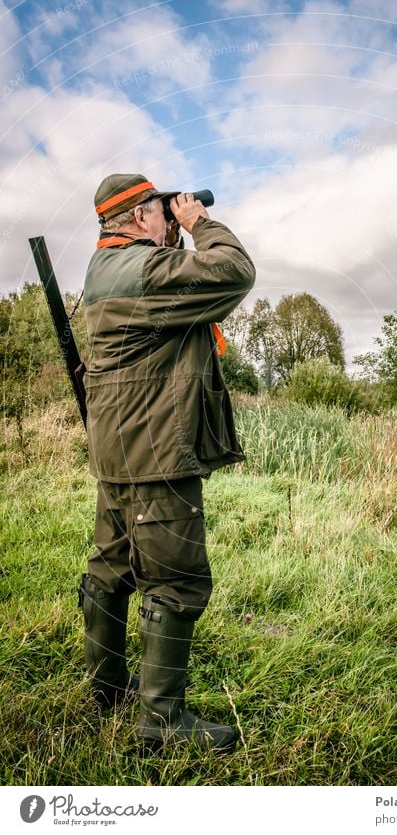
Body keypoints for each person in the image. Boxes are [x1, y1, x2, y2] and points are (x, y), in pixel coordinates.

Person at [78, 173, 255, 753]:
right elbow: (232, 273)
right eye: (159, 209)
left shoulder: (107, 268)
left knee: (112, 567)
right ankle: (161, 721)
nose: (170, 215)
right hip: (156, 455)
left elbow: (169, 294)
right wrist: (201, 225)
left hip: (119, 453)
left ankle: (105, 687)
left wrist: (171, 230)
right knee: (175, 583)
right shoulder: (147, 272)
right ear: (135, 218)